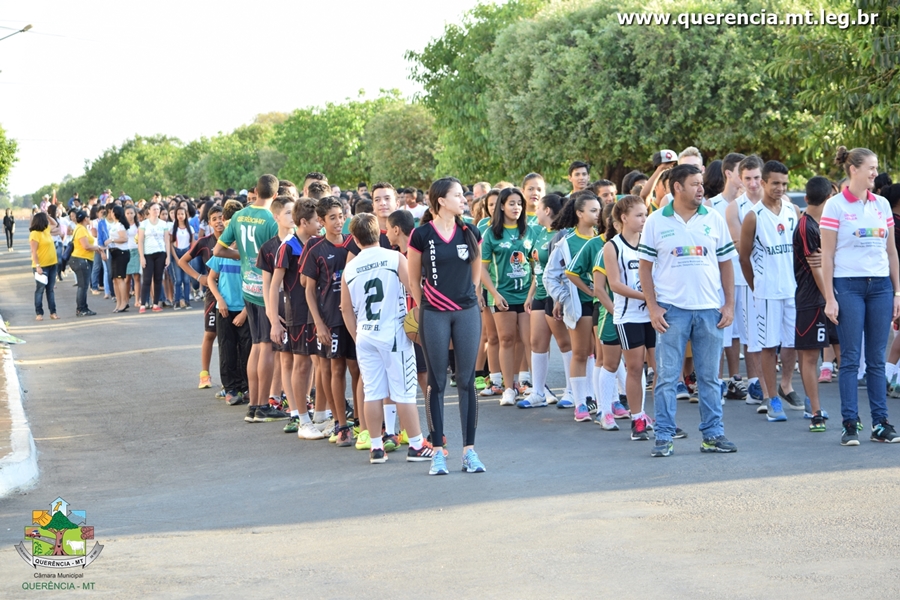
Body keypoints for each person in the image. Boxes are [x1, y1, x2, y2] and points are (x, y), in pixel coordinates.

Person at [638, 164, 738, 457]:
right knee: (667, 378)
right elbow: (644, 268)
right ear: (677, 187)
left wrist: (729, 304)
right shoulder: (656, 220)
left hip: (709, 310)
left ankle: (713, 435)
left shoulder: (714, 218)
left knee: (709, 378)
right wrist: (653, 307)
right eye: (694, 183)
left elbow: (726, 264)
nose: (700, 188)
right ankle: (664, 436)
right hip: (672, 311)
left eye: (701, 183)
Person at [340, 213, 437, 464]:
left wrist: (357, 335)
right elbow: (414, 288)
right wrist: (426, 317)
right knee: (403, 392)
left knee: (372, 392)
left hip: (365, 333)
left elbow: (346, 309)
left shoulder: (350, 268)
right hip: (393, 333)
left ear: (355, 239)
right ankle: (416, 444)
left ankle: (376, 447)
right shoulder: (394, 258)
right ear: (379, 233)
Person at [821, 146, 900, 445]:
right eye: (871, 167)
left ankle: (880, 424)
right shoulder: (835, 206)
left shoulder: (882, 204)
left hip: (880, 287)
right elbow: (827, 256)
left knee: (876, 360)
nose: (875, 173)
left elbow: (891, 252)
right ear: (853, 169)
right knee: (851, 358)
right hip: (848, 286)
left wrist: (897, 292)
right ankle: (849, 424)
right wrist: (830, 298)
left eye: (876, 167)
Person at [407, 177, 485, 475]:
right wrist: (426, 307)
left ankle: (469, 452)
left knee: (467, 380)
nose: (464, 199)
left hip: (466, 312)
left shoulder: (471, 232)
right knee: (436, 382)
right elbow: (414, 279)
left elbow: (476, 274)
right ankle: (437, 452)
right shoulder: (421, 234)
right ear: (441, 200)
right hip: (434, 313)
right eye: (458, 195)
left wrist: (467, 298)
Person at [215, 175, 287, 425]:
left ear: (255, 190)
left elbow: (218, 250)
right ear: (275, 195)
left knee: (257, 345)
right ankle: (262, 405)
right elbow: (278, 257)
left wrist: (242, 256)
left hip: (247, 285)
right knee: (266, 346)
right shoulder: (271, 219)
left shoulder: (238, 215)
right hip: (266, 288)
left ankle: (254, 405)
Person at [739, 161, 802, 421]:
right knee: (768, 345)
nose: (780, 188)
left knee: (793, 342)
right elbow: (744, 258)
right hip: (766, 293)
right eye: (775, 183)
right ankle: (772, 397)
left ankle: (786, 385)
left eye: (784, 183)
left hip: (792, 290)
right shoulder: (753, 216)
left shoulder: (793, 210)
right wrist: (757, 287)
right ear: (763, 182)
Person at [303, 196, 357, 446]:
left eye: (341, 216)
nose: (338, 222)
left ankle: (360, 421)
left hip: (354, 318)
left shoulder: (353, 244)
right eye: (332, 218)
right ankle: (340, 424)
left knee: (357, 370)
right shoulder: (316, 250)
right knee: (336, 369)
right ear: (321, 221)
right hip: (331, 320)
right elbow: (308, 290)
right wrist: (319, 323)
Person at [271, 198, 326, 440]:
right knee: (301, 364)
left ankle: (321, 415)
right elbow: (274, 285)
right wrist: (274, 320)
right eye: (317, 221)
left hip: (319, 313)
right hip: (297, 314)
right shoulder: (288, 247)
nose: (320, 225)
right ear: (304, 222)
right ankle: (301, 419)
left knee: (321, 364)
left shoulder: (317, 243)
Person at [601, 196, 655, 440]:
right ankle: (637, 419)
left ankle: (663, 419)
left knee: (660, 368)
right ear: (623, 218)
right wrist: (646, 296)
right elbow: (614, 284)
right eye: (639, 215)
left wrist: (655, 299)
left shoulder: (649, 242)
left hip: (653, 313)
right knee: (634, 368)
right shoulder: (612, 246)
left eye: (646, 215)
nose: (644, 219)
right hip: (629, 315)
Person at [546, 191, 601, 422]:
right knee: (581, 352)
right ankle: (580, 403)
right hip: (579, 303)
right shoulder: (566, 243)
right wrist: (562, 297)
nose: (598, 214)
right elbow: (550, 276)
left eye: (599, 210)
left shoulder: (605, 239)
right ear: (579, 213)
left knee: (604, 354)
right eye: (593, 210)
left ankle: (605, 401)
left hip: (605, 304)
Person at [480, 187, 534, 406]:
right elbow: (482, 269)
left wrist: (532, 293)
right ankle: (508, 388)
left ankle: (532, 385)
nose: (516, 208)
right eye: (512, 203)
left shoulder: (530, 231)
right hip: (502, 296)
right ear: (502, 206)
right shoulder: (491, 233)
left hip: (526, 295)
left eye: (519, 204)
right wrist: (494, 294)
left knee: (528, 339)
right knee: (506, 339)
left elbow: (536, 265)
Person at [520, 193, 574, 408]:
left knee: (564, 343)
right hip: (540, 294)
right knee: (537, 342)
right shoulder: (541, 232)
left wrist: (560, 297)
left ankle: (572, 390)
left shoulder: (563, 234)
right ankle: (538, 392)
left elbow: (562, 269)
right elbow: (538, 268)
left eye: (538, 208)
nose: (535, 212)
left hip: (556, 295)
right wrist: (530, 295)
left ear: (547, 210)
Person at [792, 176, 836, 432]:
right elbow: (815, 266)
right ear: (829, 198)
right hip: (812, 300)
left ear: (807, 197)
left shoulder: (829, 225)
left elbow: (828, 260)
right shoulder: (805, 225)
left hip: (832, 298)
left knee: (843, 354)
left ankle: (850, 414)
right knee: (809, 357)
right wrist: (829, 298)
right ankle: (815, 412)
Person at [725, 155, 766, 408]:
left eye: (757, 178)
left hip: (774, 280)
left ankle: (772, 386)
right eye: (748, 178)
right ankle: (755, 384)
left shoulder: (781, 204)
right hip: (745, 278)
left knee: (772, 336)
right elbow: (742, 246)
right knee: (751, 334)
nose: (752, 183)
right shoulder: (734, 208)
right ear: (740, 178)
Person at [706, 153, 747, 400]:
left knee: (742, 333)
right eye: (742, 172)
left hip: (746, 277)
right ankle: (717, 382)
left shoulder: (749, 205)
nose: (747, 178)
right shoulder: (712, 206)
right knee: (720, 331)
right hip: (720, 279)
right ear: (729, 173)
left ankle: (736, 380)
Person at [207, 200, 251, 408]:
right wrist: (220, 299)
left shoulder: (247, 251)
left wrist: (245, 311)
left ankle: (247, 387)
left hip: (245, 309)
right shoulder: (222, 250)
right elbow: (211, 279)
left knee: (247, 350)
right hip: (224, 309)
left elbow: (256, 283)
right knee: (227, 350)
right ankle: (231, 388)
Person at [178, 204, 225, 390]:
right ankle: (204, 374)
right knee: (210, 333)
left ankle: (233, 379)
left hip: (233, 292)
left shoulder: (234, 239)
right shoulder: (204, 242)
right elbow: (182, 261)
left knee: (231, 337)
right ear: (209, 223)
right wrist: (199, 277)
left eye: (221, 217)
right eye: (214, 219)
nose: (219, 222)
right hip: (213, 292)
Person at [29, 212, 60, 321]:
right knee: (40, 289)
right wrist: (38, 266)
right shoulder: (34, 234)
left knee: (50, 290)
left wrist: (48, 216)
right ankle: (39, 313)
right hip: (41, 266)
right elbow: (34, 251)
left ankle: (53, 312)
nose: (47, 221)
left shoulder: (46, 230)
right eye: (45, 219)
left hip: (52, 264)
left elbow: (55, 224)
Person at [69, 211, 101, 317]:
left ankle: (83, 307)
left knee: (83, 285)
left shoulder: (80, 228)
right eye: (87, 217)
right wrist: (96, 248)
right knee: (83, 286)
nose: (89, 218)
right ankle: (81, 308)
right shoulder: (81, 229)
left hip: (82, 259)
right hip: (81, 259)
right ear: (84, 218)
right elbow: (86, 246)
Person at [105, 206, 131, 313]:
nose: (110, 214)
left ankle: (124, 302)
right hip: (114, 252)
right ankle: (118, 302)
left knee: (120, 279)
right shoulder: (114, 225)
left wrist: (112, 240)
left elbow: (124, 238)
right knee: (115, 279)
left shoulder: (120, 225)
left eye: (112, 212)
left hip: (121, 252)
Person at [171, 206, 195, 310]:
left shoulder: (190, 228)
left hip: (187, 253)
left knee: (186, 279)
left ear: (185, 215)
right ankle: (177, 301)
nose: (180, 216)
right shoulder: (173, 228)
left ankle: (187, 301)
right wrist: (176, 258)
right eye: (178, 214)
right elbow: (171, 244)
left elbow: (193, 244)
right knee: (178, 280)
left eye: (182, 214)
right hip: (177, 252)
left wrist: (191, 256)